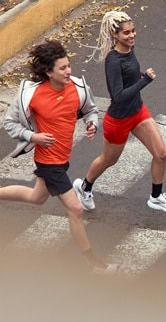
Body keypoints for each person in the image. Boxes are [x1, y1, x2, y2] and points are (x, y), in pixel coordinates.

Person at [3, 40, 117, 275]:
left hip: (63, 157)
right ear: (48, 72)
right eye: (63, 68)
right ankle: (94, 264)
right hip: (48, 161)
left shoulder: (78, 87)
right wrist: (33, 136)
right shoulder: (31, 95)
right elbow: (9, 123)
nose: (69, 72)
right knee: (75, 209)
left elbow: (90, 109)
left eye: (68, 66)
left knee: (37, 197)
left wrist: (92, 123)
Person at [74, 10, 166, 214]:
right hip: (119, 119)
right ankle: (84, 187)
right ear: (115, 35)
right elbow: (118, 95)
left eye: (133, 31)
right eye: (126, 33)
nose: (132, 36)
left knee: (161, 154)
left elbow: (129, 77)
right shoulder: (113, 61)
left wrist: (138, 78)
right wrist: (145, 81)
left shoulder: (129, 50)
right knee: (109, 160)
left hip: (138, 110)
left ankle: (156, 197)